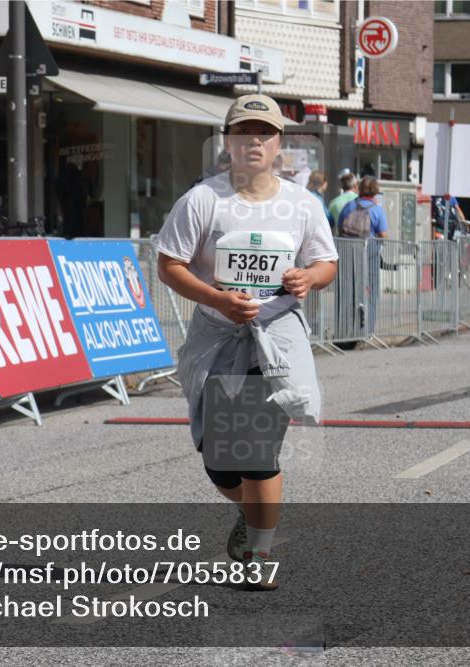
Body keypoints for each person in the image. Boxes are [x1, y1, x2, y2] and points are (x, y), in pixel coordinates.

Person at [154, 94, 338, 591]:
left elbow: (327, 263)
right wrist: (217, 297)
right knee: (220, 461)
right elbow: (168, 264)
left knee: (257, 452)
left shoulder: (301, 203)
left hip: (275, 338)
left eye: (264, 132)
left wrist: (308, 279)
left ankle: (260, 553)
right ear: (228, 141)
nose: (254, 140)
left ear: (279, 142)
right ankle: (250, 512)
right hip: (218, 337)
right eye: (244, 132)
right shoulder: (202, 200)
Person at [336, 177, 388, 348]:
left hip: (347, 254)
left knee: (347, 292)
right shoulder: (377, 210)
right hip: (369, 255)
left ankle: (345, 330)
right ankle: (367, 330)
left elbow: (339, 228)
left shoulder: (348, 206)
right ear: (374, 191)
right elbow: (383, 236)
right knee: (370, 292)